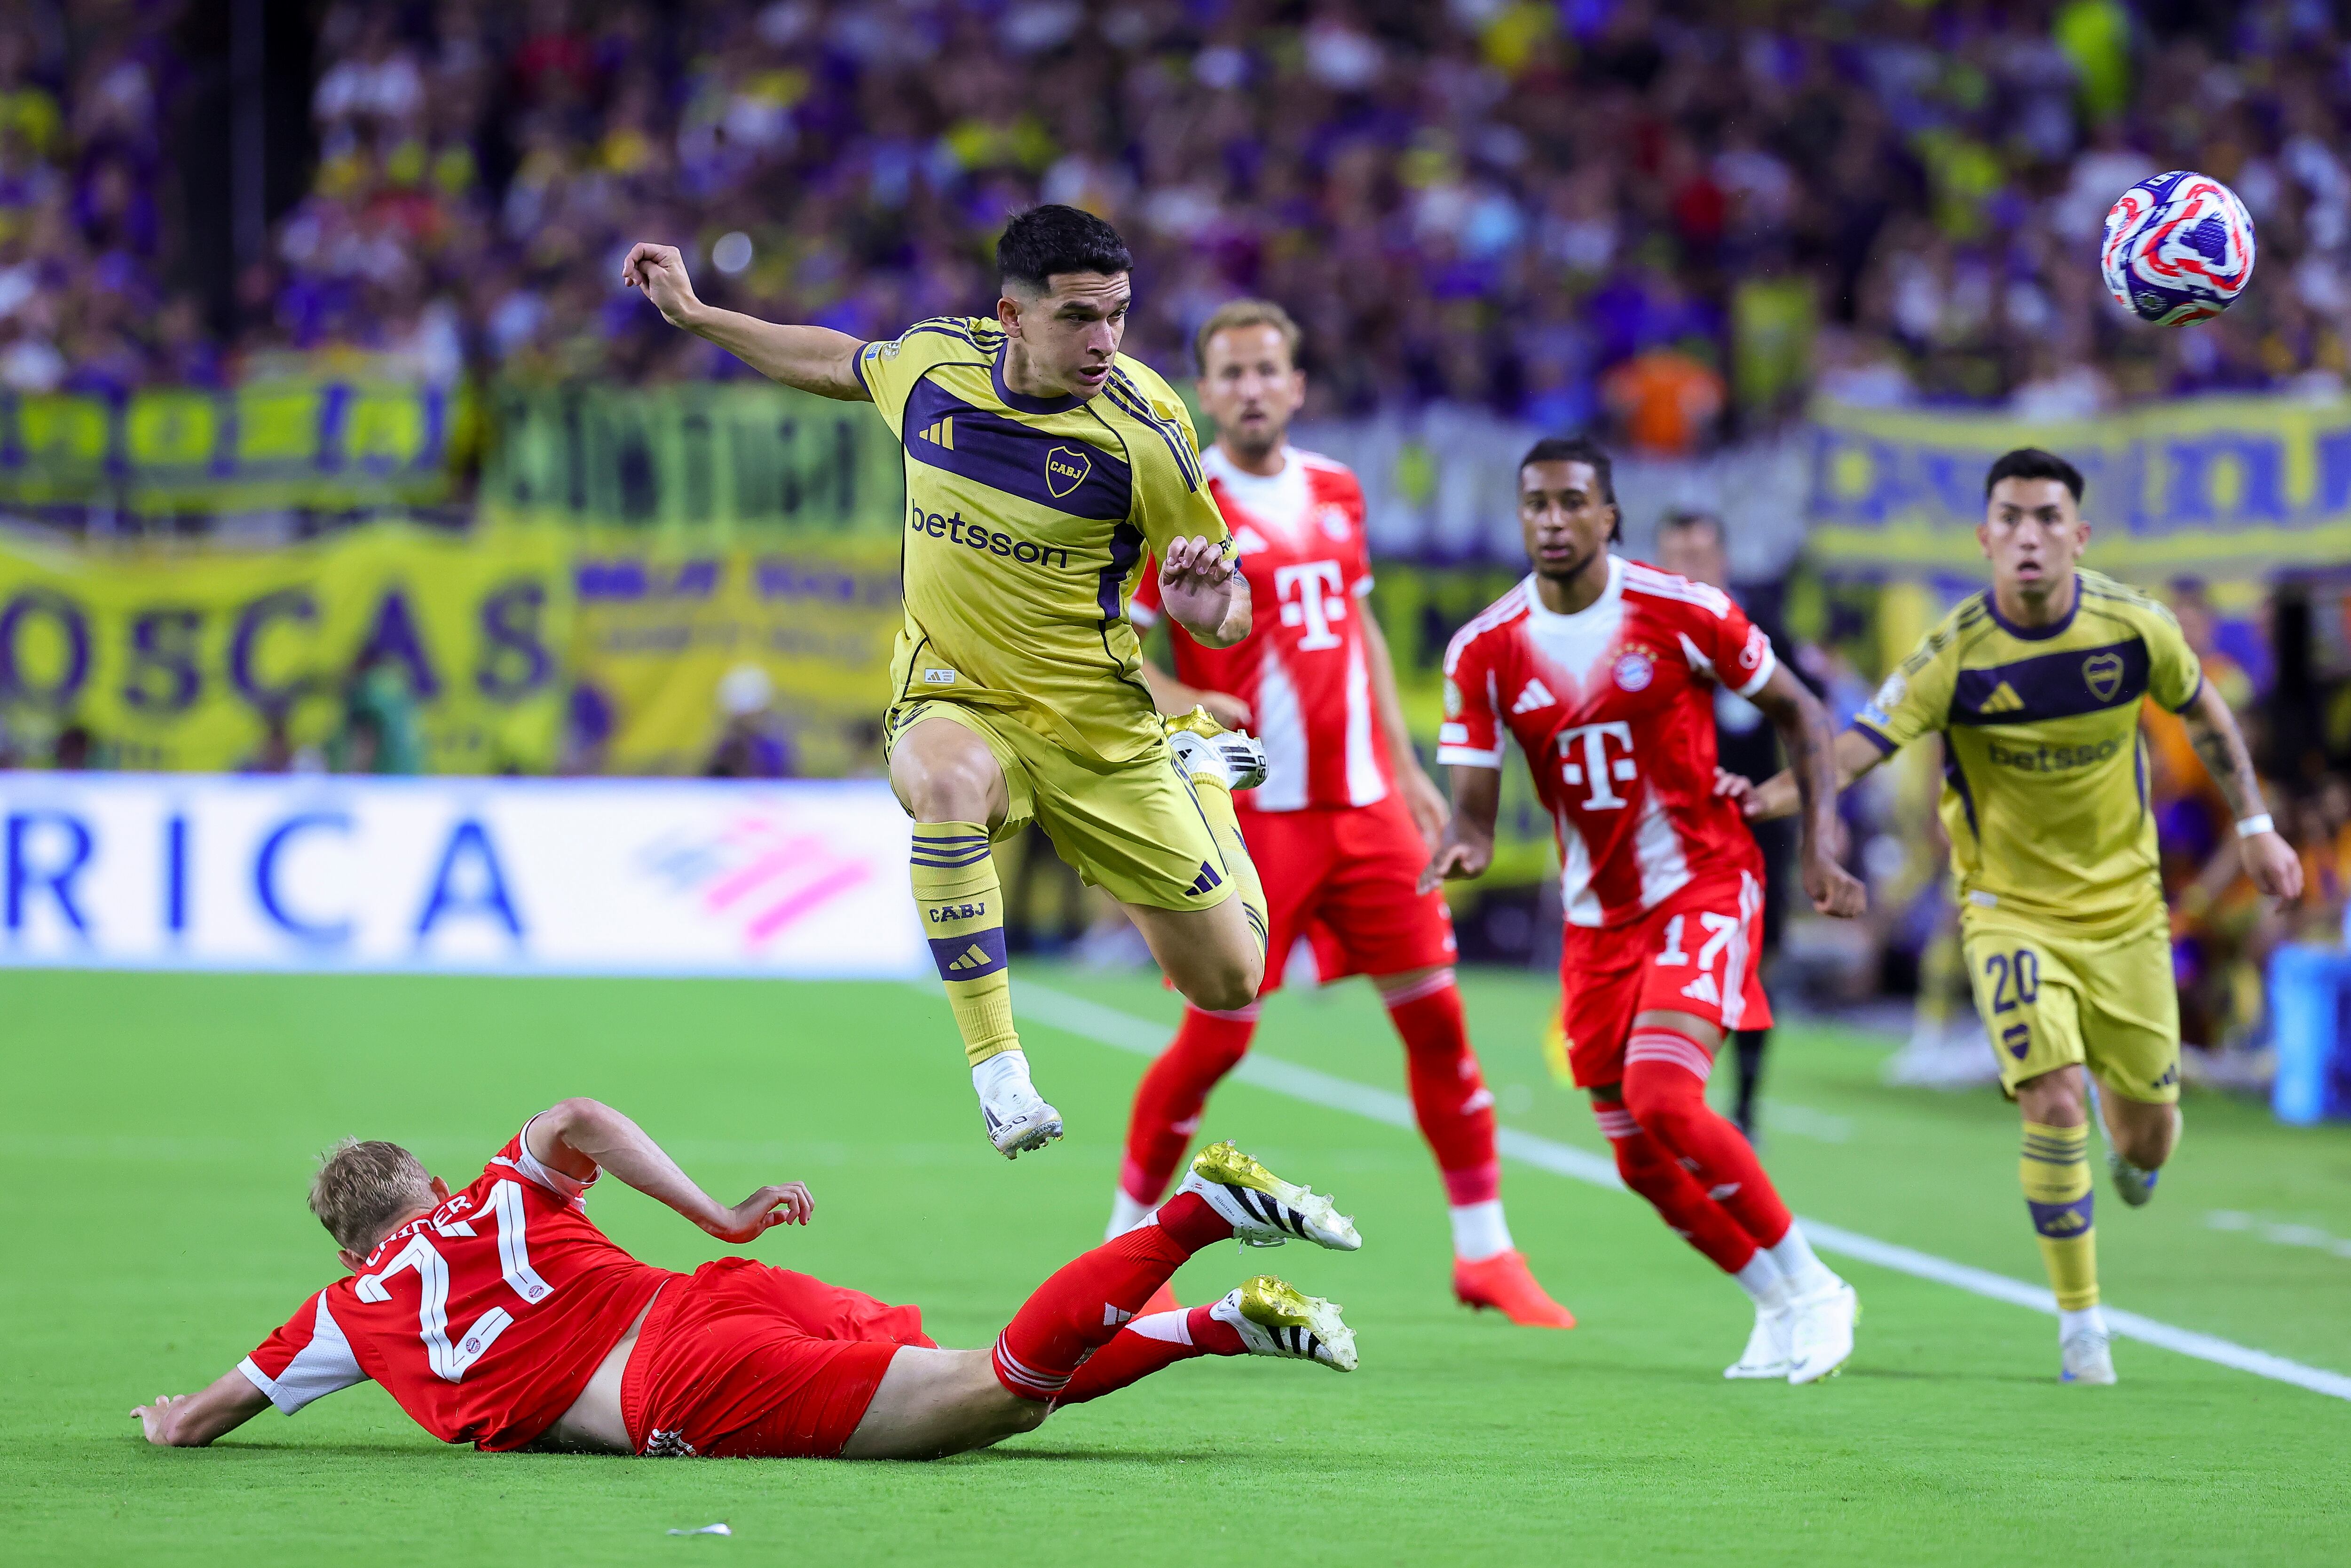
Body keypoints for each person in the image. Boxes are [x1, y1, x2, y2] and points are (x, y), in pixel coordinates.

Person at [622, 206, 1271, 1159]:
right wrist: (700, 317)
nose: (1103, 342)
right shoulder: (933, 366)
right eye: (1078, 318)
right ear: (1011, 314)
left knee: (1229, 982)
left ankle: (1200, 771)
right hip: (954, 694)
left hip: (1099, 729)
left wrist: (1205, 607)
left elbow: (1229, 603)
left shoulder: (1147, 429)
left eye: (1118, 317)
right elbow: (835, 361)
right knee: (946, 787)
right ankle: (999, 1068)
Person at [1737, 448, 2304, 1385]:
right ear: (1984, 537)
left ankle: (2139, 1155)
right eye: (2010, 518)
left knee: (2146, 1136)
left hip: (2126, 915)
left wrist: (2254, 827)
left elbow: (2205, 713)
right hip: (2007, 913)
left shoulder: (2134, 629)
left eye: (2047, 519)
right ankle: (2082, 1327)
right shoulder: (1951, 653)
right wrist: (1765, 799)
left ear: (2079, 537)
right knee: (2049, 1097)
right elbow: (1859, 746)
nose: (2028, 536)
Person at [1113, 299, 1572, 1328]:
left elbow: (1356, 616)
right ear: (1205, 391)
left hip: (1367, 809)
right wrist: (1191, 702)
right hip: (1257, 815)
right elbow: (1117, 653)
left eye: (1266, 369)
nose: (1250, 388)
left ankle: (1485, 1253)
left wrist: (1404, 765)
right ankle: (1118, 1242)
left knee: (1438, 1023)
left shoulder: (1335, 487)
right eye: (1229, 373)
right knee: (1217, 1041)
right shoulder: (1181, 505)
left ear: (1297, 383)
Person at [130, 1098, 1363, 1459]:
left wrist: (168, 1420)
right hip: (714, 1298)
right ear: (432, 1186)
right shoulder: (501, 1190)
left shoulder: (347, 1306)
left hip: (680, 1381)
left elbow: (204, 1415)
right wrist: (722, 1217)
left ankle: (1199, 1214)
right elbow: (580, 1114)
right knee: (984, 1385)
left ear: (352, 1245)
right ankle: (1214, 1320)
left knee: (996, 1394)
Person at [1422, 436, 1869, 1385]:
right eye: (1535, 504)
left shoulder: (1681, 610)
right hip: (1596, 921)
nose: (1552, 520)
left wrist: (1821, 850)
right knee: (1634, 1157)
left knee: (1668, 1098)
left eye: (1571, 503)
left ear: (1607, 515)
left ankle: (1819, 1286)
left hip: (1703, 880)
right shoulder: (1485, 650)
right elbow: (1472, 802)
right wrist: (1463, 843)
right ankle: (1774, 1301)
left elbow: (1802, 712)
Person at [1652, 509, 1817, 1141]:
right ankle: (1669, 1091)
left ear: (1723, 561)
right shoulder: (1641, 632)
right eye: (1676, 556)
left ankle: (1745, 1105)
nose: (1688, 569)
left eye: (1699, 555)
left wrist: (1805, 811)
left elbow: (1807, 720)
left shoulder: (1760, 630)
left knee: (1756, 960)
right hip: (1665, 827)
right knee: (1665, 957)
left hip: (1749, 824)